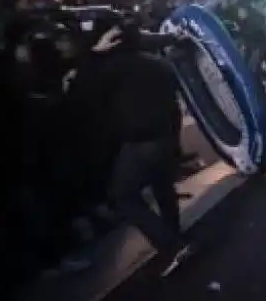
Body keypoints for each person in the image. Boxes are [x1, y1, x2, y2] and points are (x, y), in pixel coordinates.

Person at [68, 24, 192, 276]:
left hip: (139, 141)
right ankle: (173, 233)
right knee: (163, 188)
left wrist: (94, 53)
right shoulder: (159, 64)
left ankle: (170, 245)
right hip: (166, 137)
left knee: (123, 196)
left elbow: (80, 91)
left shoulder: (113, 68)